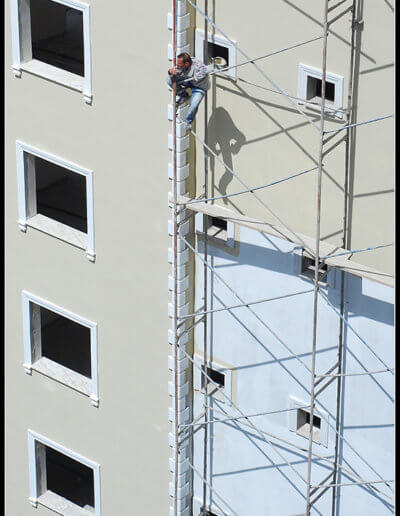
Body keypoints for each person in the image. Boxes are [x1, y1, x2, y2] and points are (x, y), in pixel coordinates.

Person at [167, 52, 211, 130]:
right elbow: (174, 74)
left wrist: (197, 76)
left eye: (180, 64)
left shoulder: (197, 64)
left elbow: (207, 70)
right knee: (169, 80)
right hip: (187, 82)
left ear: (186, 64)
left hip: (199, 87)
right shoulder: (180, 67)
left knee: (194, 105)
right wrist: (170, 72)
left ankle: (188, 122)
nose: (178, 65)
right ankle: (183, 95)